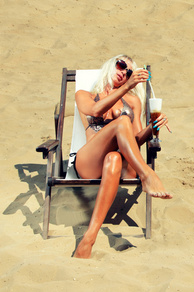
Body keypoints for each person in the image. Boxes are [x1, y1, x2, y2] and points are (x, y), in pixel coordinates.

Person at [73, 54, 172, 259]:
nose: (123, 72)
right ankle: (147, 174)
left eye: (128, 72)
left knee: (114, 158)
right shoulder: (86, 95)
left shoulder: (133, 101)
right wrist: (127, 88)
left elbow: (135, 140)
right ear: (110, 66)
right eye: (120, 66)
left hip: (120, 163)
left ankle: (88, 240)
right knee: (122, 123)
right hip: (89, 161)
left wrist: (153, 128)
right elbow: (95, 110)